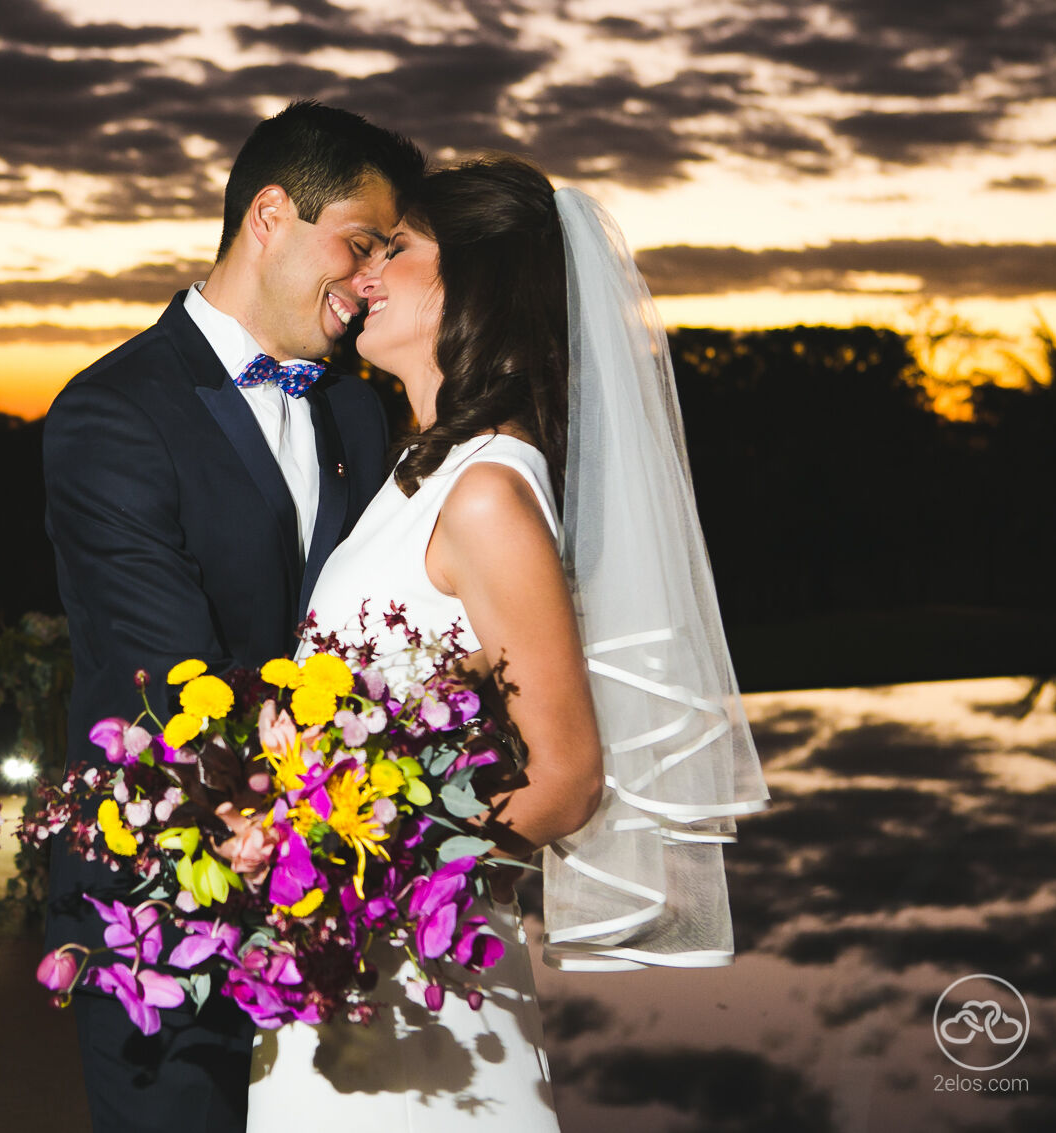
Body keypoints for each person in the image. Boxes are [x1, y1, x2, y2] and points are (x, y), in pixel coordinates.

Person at [247, 154, 769, 1129]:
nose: (366, 271)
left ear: (473, 282)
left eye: (395, 249)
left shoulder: (487, 489)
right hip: (341, 965)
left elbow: (566, 776)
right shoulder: (419, 470)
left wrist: (347, 869)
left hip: (412, 978)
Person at [42, 101, 426, 1133]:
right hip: (164, 899)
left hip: (336, 890)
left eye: (387, 256)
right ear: (269, 214)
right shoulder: (111, 412)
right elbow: (167, 677)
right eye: (358, 244)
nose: (371, 281)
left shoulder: (354, 406)